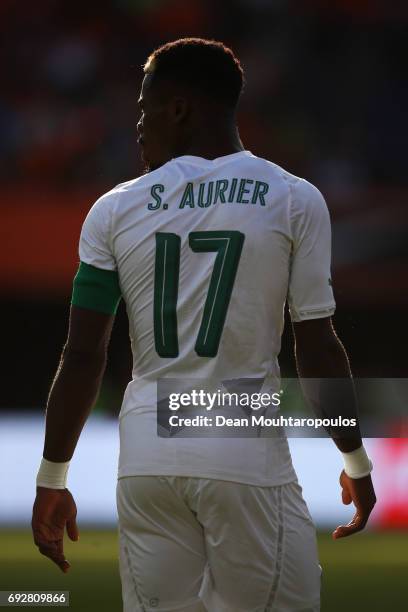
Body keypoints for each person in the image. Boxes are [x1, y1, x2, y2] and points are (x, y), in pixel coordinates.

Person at [32, 38, 376, 612]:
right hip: (241, 448)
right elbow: (316, 346)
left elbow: (83, 355)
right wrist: (355, 460)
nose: (137, 125)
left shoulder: (113, 210)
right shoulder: (294, 199)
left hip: (144, 460)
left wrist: (52, 477)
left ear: (180, 109)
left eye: (145, 108)